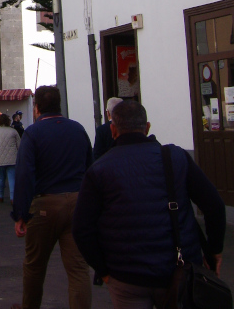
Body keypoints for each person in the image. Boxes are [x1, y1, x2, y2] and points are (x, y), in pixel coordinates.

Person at [72, 100, 226, 308]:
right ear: (147, 127)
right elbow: (214, 205)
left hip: (126, 275)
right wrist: (214, 250)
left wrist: (104, 270)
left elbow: (82, 228)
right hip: (177, 271)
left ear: (113, 130)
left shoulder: (100, 169)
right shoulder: (175, 157)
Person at [11, 85, 92, 309]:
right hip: (76, 203)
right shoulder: (78, 129)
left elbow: (25, 175)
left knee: (35, 266)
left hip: (44, 204)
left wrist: (20, 214)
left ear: (36, 108)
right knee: (78, 269)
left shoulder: (33, 133)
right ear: (59, 105)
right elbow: (89, 167)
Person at [0, 113, 20, 203]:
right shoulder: (13, 131)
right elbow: (19, 145)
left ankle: (0, 195)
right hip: (12, 159)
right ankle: (13, 198)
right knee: (12, 178)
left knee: (1, 178)